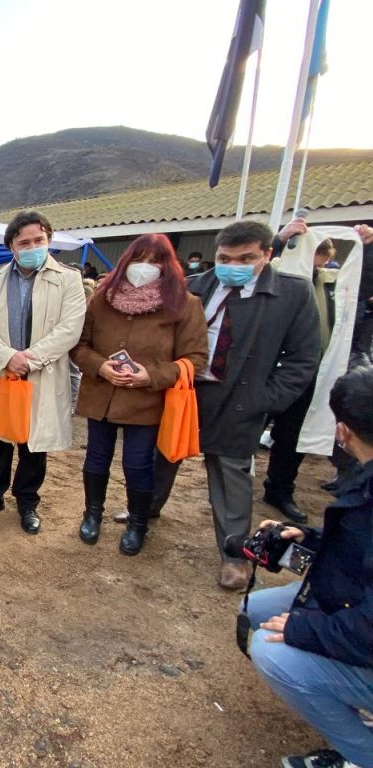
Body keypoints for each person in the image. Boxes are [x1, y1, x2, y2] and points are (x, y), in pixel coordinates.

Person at [151, 221, 320, 590]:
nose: (234, 264)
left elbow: (302, 360)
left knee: (230, 476)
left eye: (246, 258)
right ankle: (144, 512)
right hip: (187, 392)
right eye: (226, 257)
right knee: (162, 456)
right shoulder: (194, 285)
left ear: (267, 255)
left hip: (241, 398)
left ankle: (234, 555)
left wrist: (264, 400)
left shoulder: (293, 294)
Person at [243, 366, 373, 768]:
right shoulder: (366, 477)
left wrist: (307, 629)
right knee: (256, 610)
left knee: (272, 650)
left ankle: (362, 755)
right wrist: (308, 537)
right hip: (357, 607)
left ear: (343, 431)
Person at [70, 234, 208, 554]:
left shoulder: (185, 304)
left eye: (154, 261)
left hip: (147, 400)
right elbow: (80, 346)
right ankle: (92, 514)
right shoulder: (102, 299)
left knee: (138, 464)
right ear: (125, 262)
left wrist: (153, 375)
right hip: (102, 394)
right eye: (138, 259)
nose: (144, 267)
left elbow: (196, 357)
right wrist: (100, 366)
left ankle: (138, 523)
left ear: (167, 266)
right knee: (96, 458)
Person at [0, 210, 87, 534]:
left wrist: (29, 359)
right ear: (12, 247)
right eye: (25, 242)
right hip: (2, 371)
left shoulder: (67, 279)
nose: (33, 246)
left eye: (39, 240)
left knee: (34, 443)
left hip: (41, 374)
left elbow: (70, 328)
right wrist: (8, 357)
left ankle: (27, 501)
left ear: (48, 240)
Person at [262, 237, 342, 524]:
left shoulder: (332, 284)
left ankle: (280, 488)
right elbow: (261, 254)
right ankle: (228, 483)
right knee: (245, 428)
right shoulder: (274, 277)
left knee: (292, 434)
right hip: (264, 369)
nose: (314, 261)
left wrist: (367, 251)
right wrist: (281, 241)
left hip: (308, 371)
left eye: (319, 255)